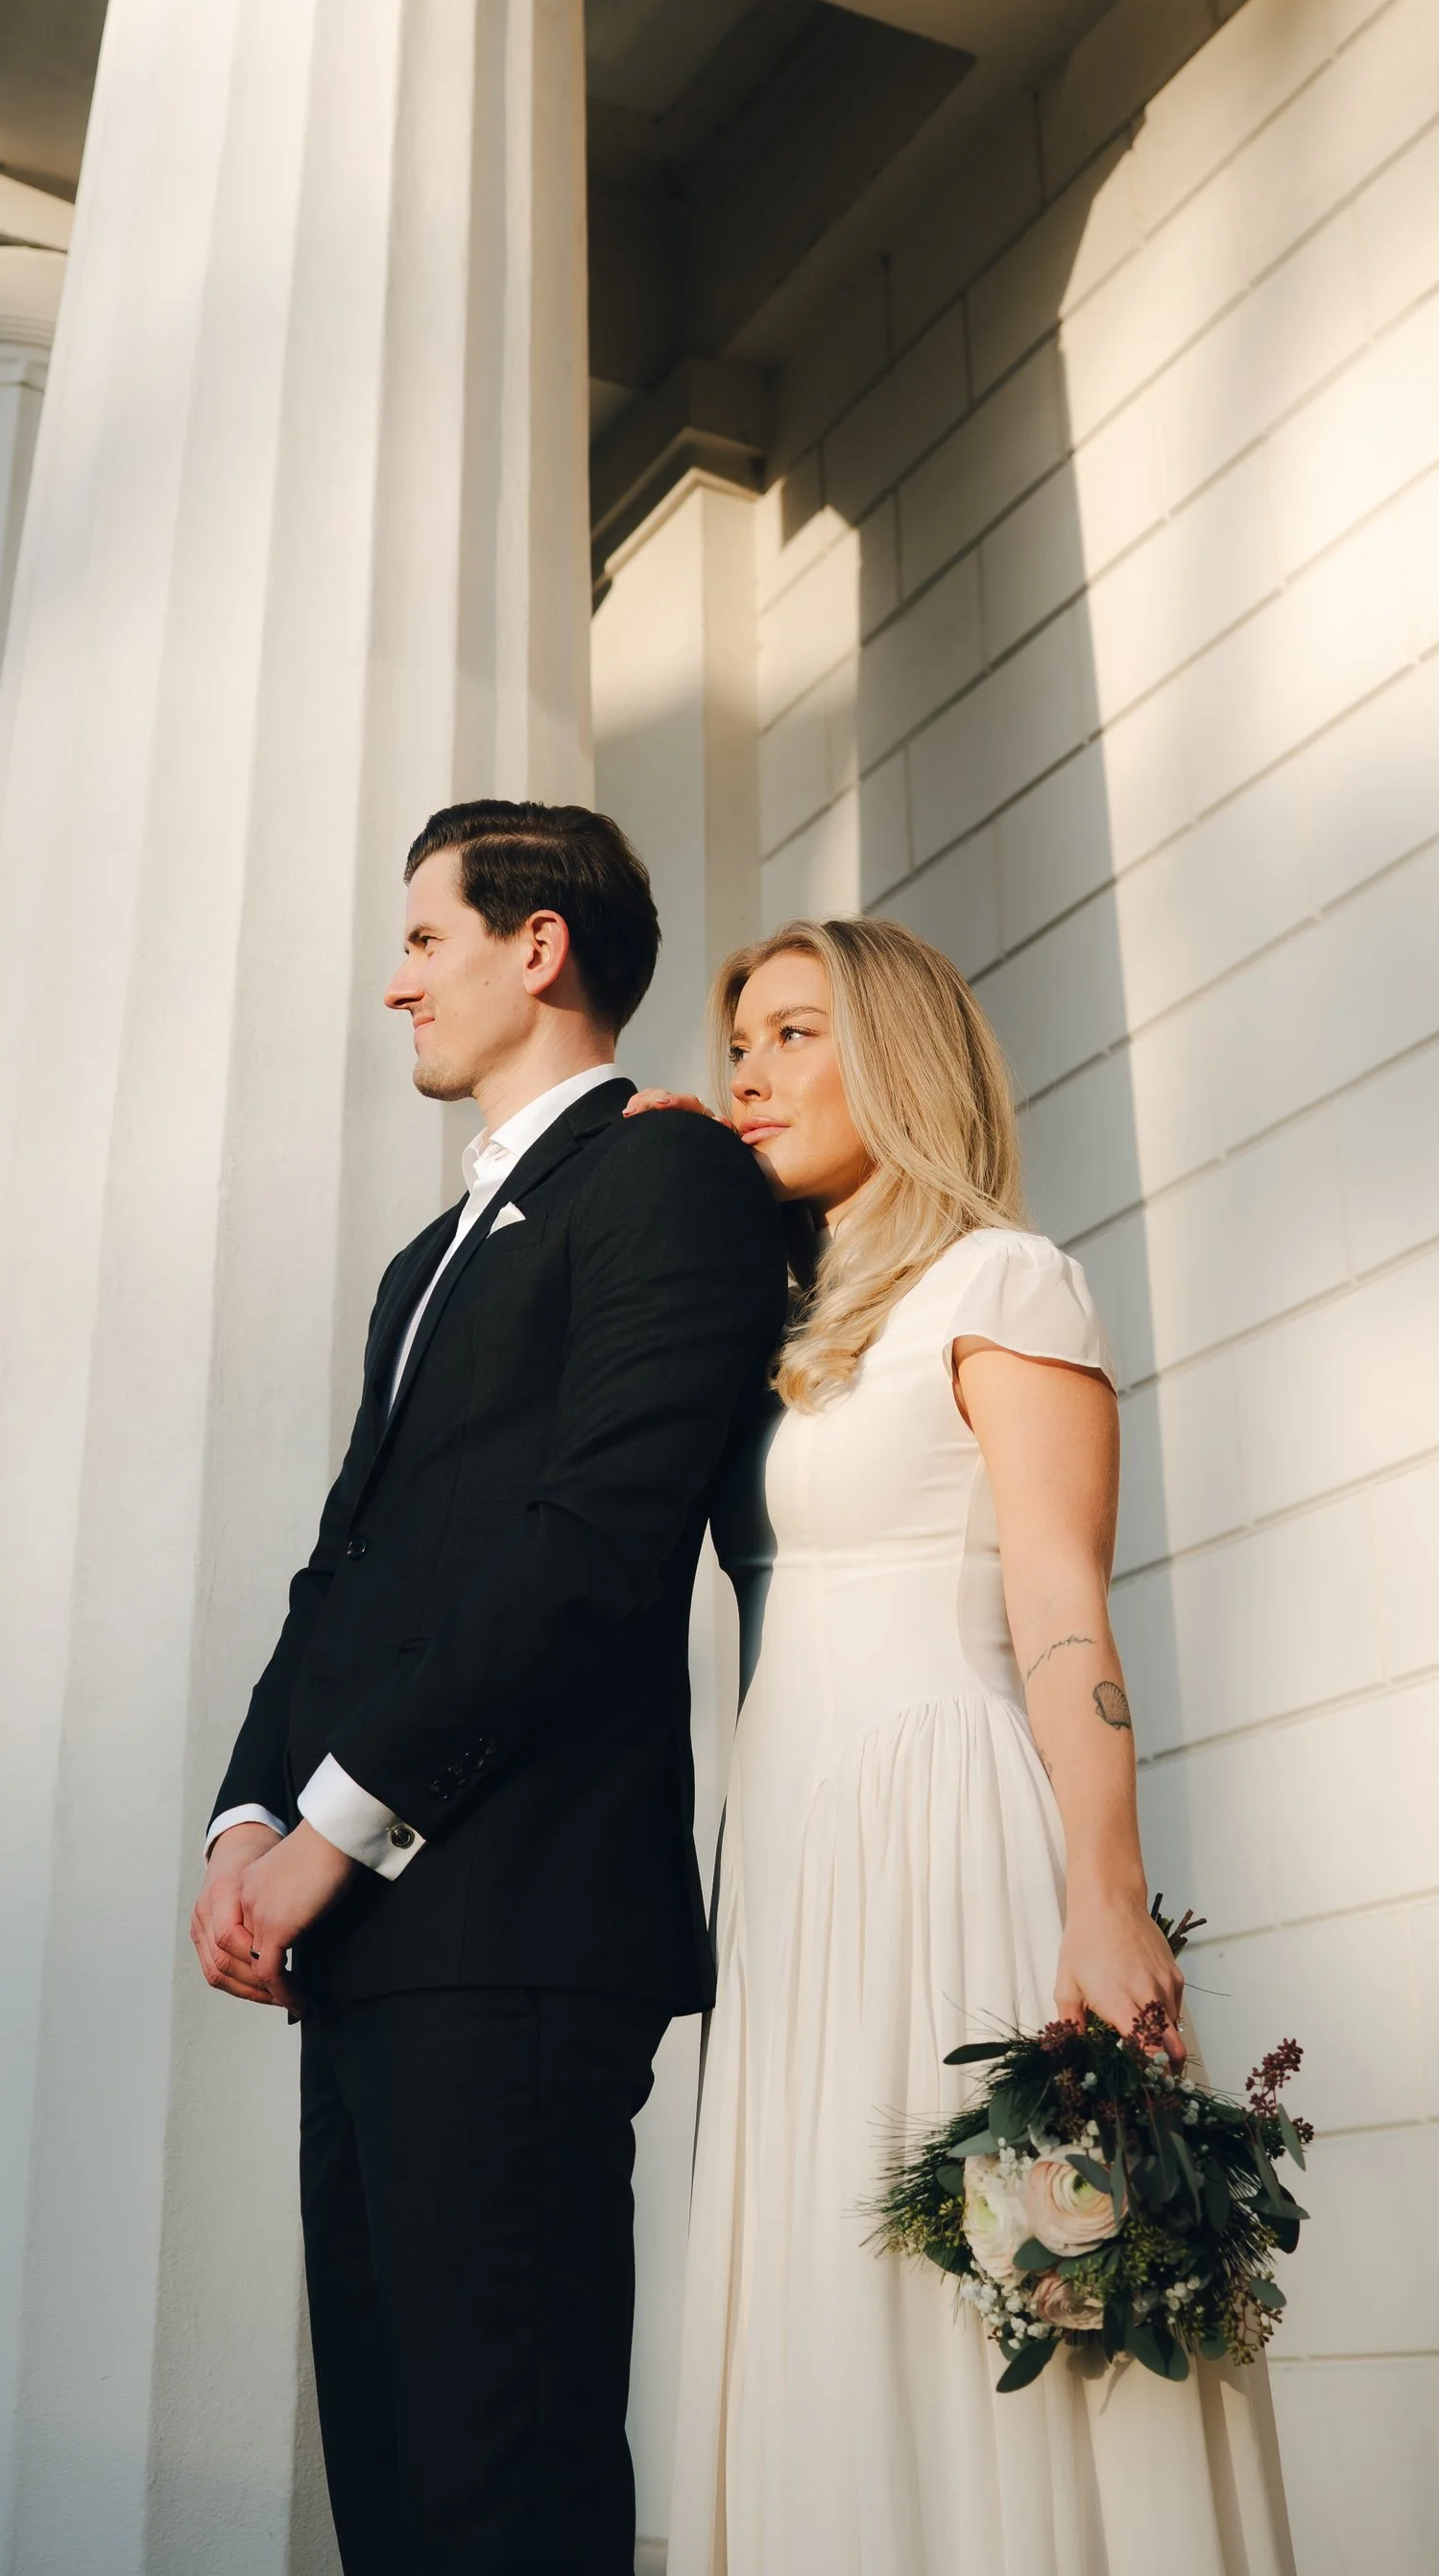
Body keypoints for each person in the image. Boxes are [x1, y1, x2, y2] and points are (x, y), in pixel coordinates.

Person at [190, 800, 788, 2576]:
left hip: (518, 1924)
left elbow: (594, 1548)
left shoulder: (668, 1176)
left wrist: (336, 1826)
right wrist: (244, 1812)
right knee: (390, 2485)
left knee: (498, 2488)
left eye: (426, 938)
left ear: (540, 948)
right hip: (366, 1938)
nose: (398, 986)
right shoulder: (418, 1263)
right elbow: (344, 1567)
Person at [656, 917, 1292, 2576]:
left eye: (796, 1033)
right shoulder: (784, 1321)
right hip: (787, 1854)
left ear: (903, 1058)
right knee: (823, 2294)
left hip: (937, 1825)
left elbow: (1064, 1608)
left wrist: (1109, 1892)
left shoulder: (1005, 1281)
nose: (749, 1069)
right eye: (740, 1041)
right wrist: (638, 1174)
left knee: (974, 2316)